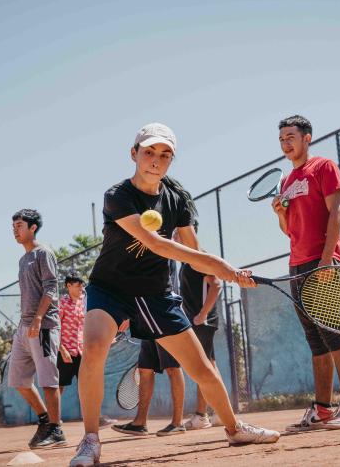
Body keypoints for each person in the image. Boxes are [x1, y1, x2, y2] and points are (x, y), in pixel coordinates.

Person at [69, 123, 279, 467]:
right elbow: (155, 243)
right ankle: (90, 441)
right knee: (92, 348)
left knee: (202, 369)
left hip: (155, 293)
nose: (156, 160)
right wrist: (217, 263)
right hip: (111, 288)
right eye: (149, 152)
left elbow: (191, 248)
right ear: (134, 153)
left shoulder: (177, 200)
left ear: (171, 160)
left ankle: (234, 427)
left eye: (164, 155)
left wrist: (224, 272)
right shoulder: (117, 195)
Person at [272, 115, 340, 431]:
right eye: (282, 138)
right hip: (296, 264)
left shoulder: (324, 167)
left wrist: (327, 259)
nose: (286, 143)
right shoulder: (287, 181)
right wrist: (281, 214)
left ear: (307, 138)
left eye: (291, 136)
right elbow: (288, 230)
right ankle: (322, 408)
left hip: (323, 261)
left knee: (333, 332)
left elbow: (336, 213)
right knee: (315, 339)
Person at [9, 209, 66, 448]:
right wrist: (23, 325)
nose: (15, 230)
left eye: (19, 225)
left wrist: (38, 319)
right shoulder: (23, 259)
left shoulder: (44, 253)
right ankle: (45, 420)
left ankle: (56, 430)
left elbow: (51, 288)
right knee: (19, 380)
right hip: (24, 328)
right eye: (13, 226)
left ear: (33, 227)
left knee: (48, 381)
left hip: (43, 325)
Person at [176, 223, 224, 430]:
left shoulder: (199, 257)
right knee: (209, 365)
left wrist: (203, 313)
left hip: (202, 321)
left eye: (178, 231)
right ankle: (216, 413)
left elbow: (216, 283)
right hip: (197, 320)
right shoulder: (187, 259)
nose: (175, 235)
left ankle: (202, 414)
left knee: (203, 366)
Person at [58, 272, 117, 428]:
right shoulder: (62, 303)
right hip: (66, 351)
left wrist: (108, 337)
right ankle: (53, 419)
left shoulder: (85, 302)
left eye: (81, 285)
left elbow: (91, 324)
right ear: (68, 286)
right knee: (59, 385)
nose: (80, 288)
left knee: (90, 381)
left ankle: (97, 418)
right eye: (76, 285)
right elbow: (56, 328)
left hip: (82, 351)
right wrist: (62, 349)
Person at [112, 340, 186, 436]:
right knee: (145, 369)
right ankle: (139, 423)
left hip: (164, 327)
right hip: (146, 327)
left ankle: (178, 423)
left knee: (172, 366)